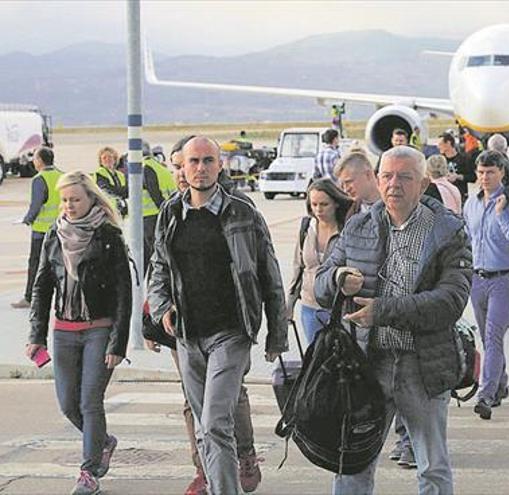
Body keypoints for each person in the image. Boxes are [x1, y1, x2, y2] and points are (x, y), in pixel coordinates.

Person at [315, 145, 472, 494]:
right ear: (376, 178)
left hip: (423, 366)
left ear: (423, 183)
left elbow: (452, 300)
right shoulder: (358, 226)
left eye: (404, 177)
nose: (393, 184)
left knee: (431, 466)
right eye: (387, 176)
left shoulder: (448, 230)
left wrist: (382, 311)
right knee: (352, 464)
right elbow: (320, 283)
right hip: (367, 366)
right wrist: (338, 277)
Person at [147, 136, 288, 495]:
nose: (200, 168)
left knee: (214, 423)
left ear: (220, 165)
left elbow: (268, 273)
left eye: (208, 160)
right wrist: (162, 308)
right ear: (182, 166)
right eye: (193, 161)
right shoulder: (171, 213)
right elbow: (158, 268)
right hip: (188, 333)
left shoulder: (242, 212)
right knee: (203, 426)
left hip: (231, 330)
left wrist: (276, 334)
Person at [27, 171, 130, 495]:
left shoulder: (108, 235)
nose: (69, 205)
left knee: (89, 402)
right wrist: (36, 335)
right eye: (66, 200)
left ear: (90, 199)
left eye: (76, 199)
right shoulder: (54, 236)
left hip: (99, 329)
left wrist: (118, 343)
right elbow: (42, 287)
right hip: (64, 331)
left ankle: (88, 473)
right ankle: (102, 442)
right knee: (67, 405)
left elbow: (123, 294)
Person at [463, 150, 509, 421]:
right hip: (477, 278)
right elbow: (467, 238)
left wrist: (502, 216)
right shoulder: (471, 203)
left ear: (501, 173)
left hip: (503, 278)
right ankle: (500, 383)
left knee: (493, 336)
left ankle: (485, 394)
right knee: (488, 340)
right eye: (480, 173)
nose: (484, 178)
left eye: (490, 173)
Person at [288, 178, 353, 344]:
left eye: (324, 204)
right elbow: (298, 268)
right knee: (315, 359)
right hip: (310, 307)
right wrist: (289, 304)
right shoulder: (306, 228)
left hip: (340, 308)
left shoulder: (347, 229)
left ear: (336, 203)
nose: (318, 210)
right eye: (314, 204)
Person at [12, 147, 63, 309]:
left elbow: (36, 205)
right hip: (61, 229)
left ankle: (29, 297)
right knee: (60, 264)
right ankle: (62, 298)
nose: (33, 161)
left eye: (35, 158)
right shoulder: (62, 175)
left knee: (36, 264)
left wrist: (27, 220)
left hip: (41, 231)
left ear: (40, 161)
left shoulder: (39, 179)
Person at [438, 132, 476, 202]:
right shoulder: (440, 160)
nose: (438, 147)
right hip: (444, 197)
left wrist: (457, 176)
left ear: (448, 143)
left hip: (460, 196)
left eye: (440, 144)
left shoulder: (464, 158)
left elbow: (473, 177)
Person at [92, 147, 127, 217]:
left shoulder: (120, 175)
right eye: (104, 158)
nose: (107, 159)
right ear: (101, 162)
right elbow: (107, 191)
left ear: (115, 159)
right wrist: (122, 192)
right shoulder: (100, 173)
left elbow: (127, 191)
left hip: (121, 210)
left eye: (110, 157)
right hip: (107, 211)